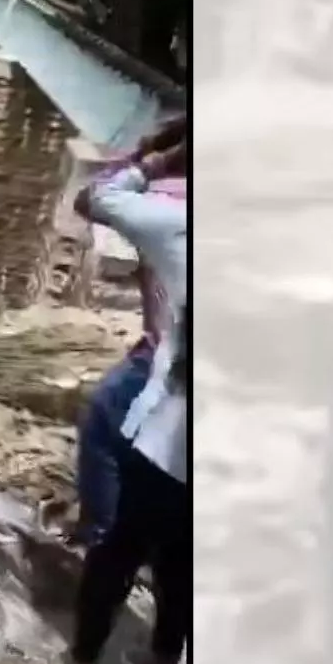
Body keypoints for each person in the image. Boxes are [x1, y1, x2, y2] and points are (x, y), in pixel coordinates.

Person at [52, 134, 189, 664]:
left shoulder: (179, 227)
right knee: (159, 557)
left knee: (139, 556)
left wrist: (157, 156)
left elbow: (95, 198)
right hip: (191, 448)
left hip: (174, 442)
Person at [70, 113, 188, 547]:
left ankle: (104, 539)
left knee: (105, 421)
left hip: (168, 360)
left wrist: (150, 156)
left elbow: (91, 198)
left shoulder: (166, 205)